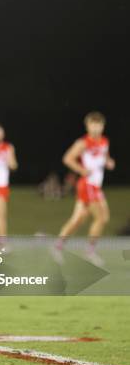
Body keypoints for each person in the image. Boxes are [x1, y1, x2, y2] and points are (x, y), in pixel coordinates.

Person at [52, 111, 115, 266]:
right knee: (100, 218)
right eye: (92, 125)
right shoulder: (83, 143)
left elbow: (104, 156)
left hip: (95, 186)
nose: (95, 128)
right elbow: (67, 158)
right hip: (87, 184)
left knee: (79, 219)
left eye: (98, 125)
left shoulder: (104, 141)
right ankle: (90, 252)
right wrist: (81, 170)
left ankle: (58, 246)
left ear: (102, 126)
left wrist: (108, 162)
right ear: (87, 126)